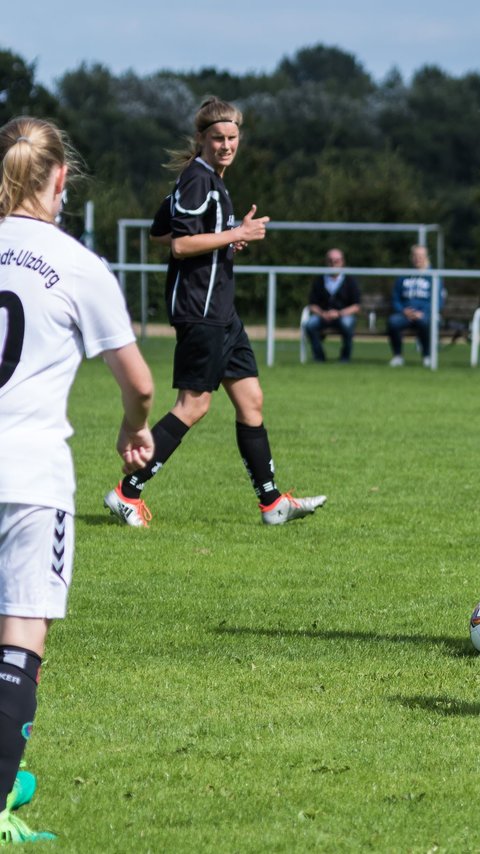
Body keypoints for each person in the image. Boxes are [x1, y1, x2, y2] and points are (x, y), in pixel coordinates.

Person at [0, 116, 155, 842]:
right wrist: (132, 425)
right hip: (30, 473)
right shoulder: (78, 264)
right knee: (22, 634)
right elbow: (140, 382)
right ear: (60, 179)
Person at [103, 96, 326, 528]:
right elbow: (178, 243)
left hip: (223, 313)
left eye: (232, 138)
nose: (226, 145)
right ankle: (126, 493)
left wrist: (228, 237)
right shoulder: (197, 179)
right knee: (193, 405)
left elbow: (161, 228)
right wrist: (234, 233)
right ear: (202, 140)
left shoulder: (212, 181)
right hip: (200, 311)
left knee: (252, 401)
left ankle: (272, 504)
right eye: (218, 138)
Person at [387, 244, 444, 367]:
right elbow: (395, 298)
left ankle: (427, 356)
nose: (418, 259)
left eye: (421, 256)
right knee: (393, 322)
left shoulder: (433, 276)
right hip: (405, 314)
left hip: (424, 314)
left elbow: (438, 301)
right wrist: (403, 310)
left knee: (425, 323)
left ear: (426, 257)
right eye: (416, 256)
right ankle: (397, 356)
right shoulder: (403, 276)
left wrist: (423, 312)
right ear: (411, 257)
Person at [305, 247, 361, 363]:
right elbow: (312, 304)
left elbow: (356, 306)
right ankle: (319, 357)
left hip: (343, 316)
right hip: (323, 316)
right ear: (326, 262)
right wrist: (323, 313)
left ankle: (345, 358)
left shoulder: (350, 280)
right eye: (330, 261)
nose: (333, 264)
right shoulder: (319, 280)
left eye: (337, 261)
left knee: (347, 323)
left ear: (342, 262)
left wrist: (339, 313)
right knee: (310, 324)